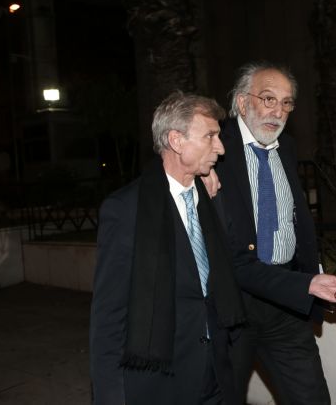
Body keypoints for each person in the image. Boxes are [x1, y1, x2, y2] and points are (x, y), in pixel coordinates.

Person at [212, 62, 336, 404]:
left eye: (286, 103)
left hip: (286, 299)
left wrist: (314, 278)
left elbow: (296, 222)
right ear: (242, 102)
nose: (278, 111)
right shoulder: (214, 148)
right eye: (268, 99)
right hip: (231, 305)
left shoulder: (288, 148)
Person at [89, 91, 245, 405]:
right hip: (159, 381)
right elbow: (109, 315)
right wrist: (110, 395)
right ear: (176, 140)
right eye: (210, 136)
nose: (220, 147)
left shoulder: (213, 200)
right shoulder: (126, 209)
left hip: (216, 373)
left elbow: (230, 272)